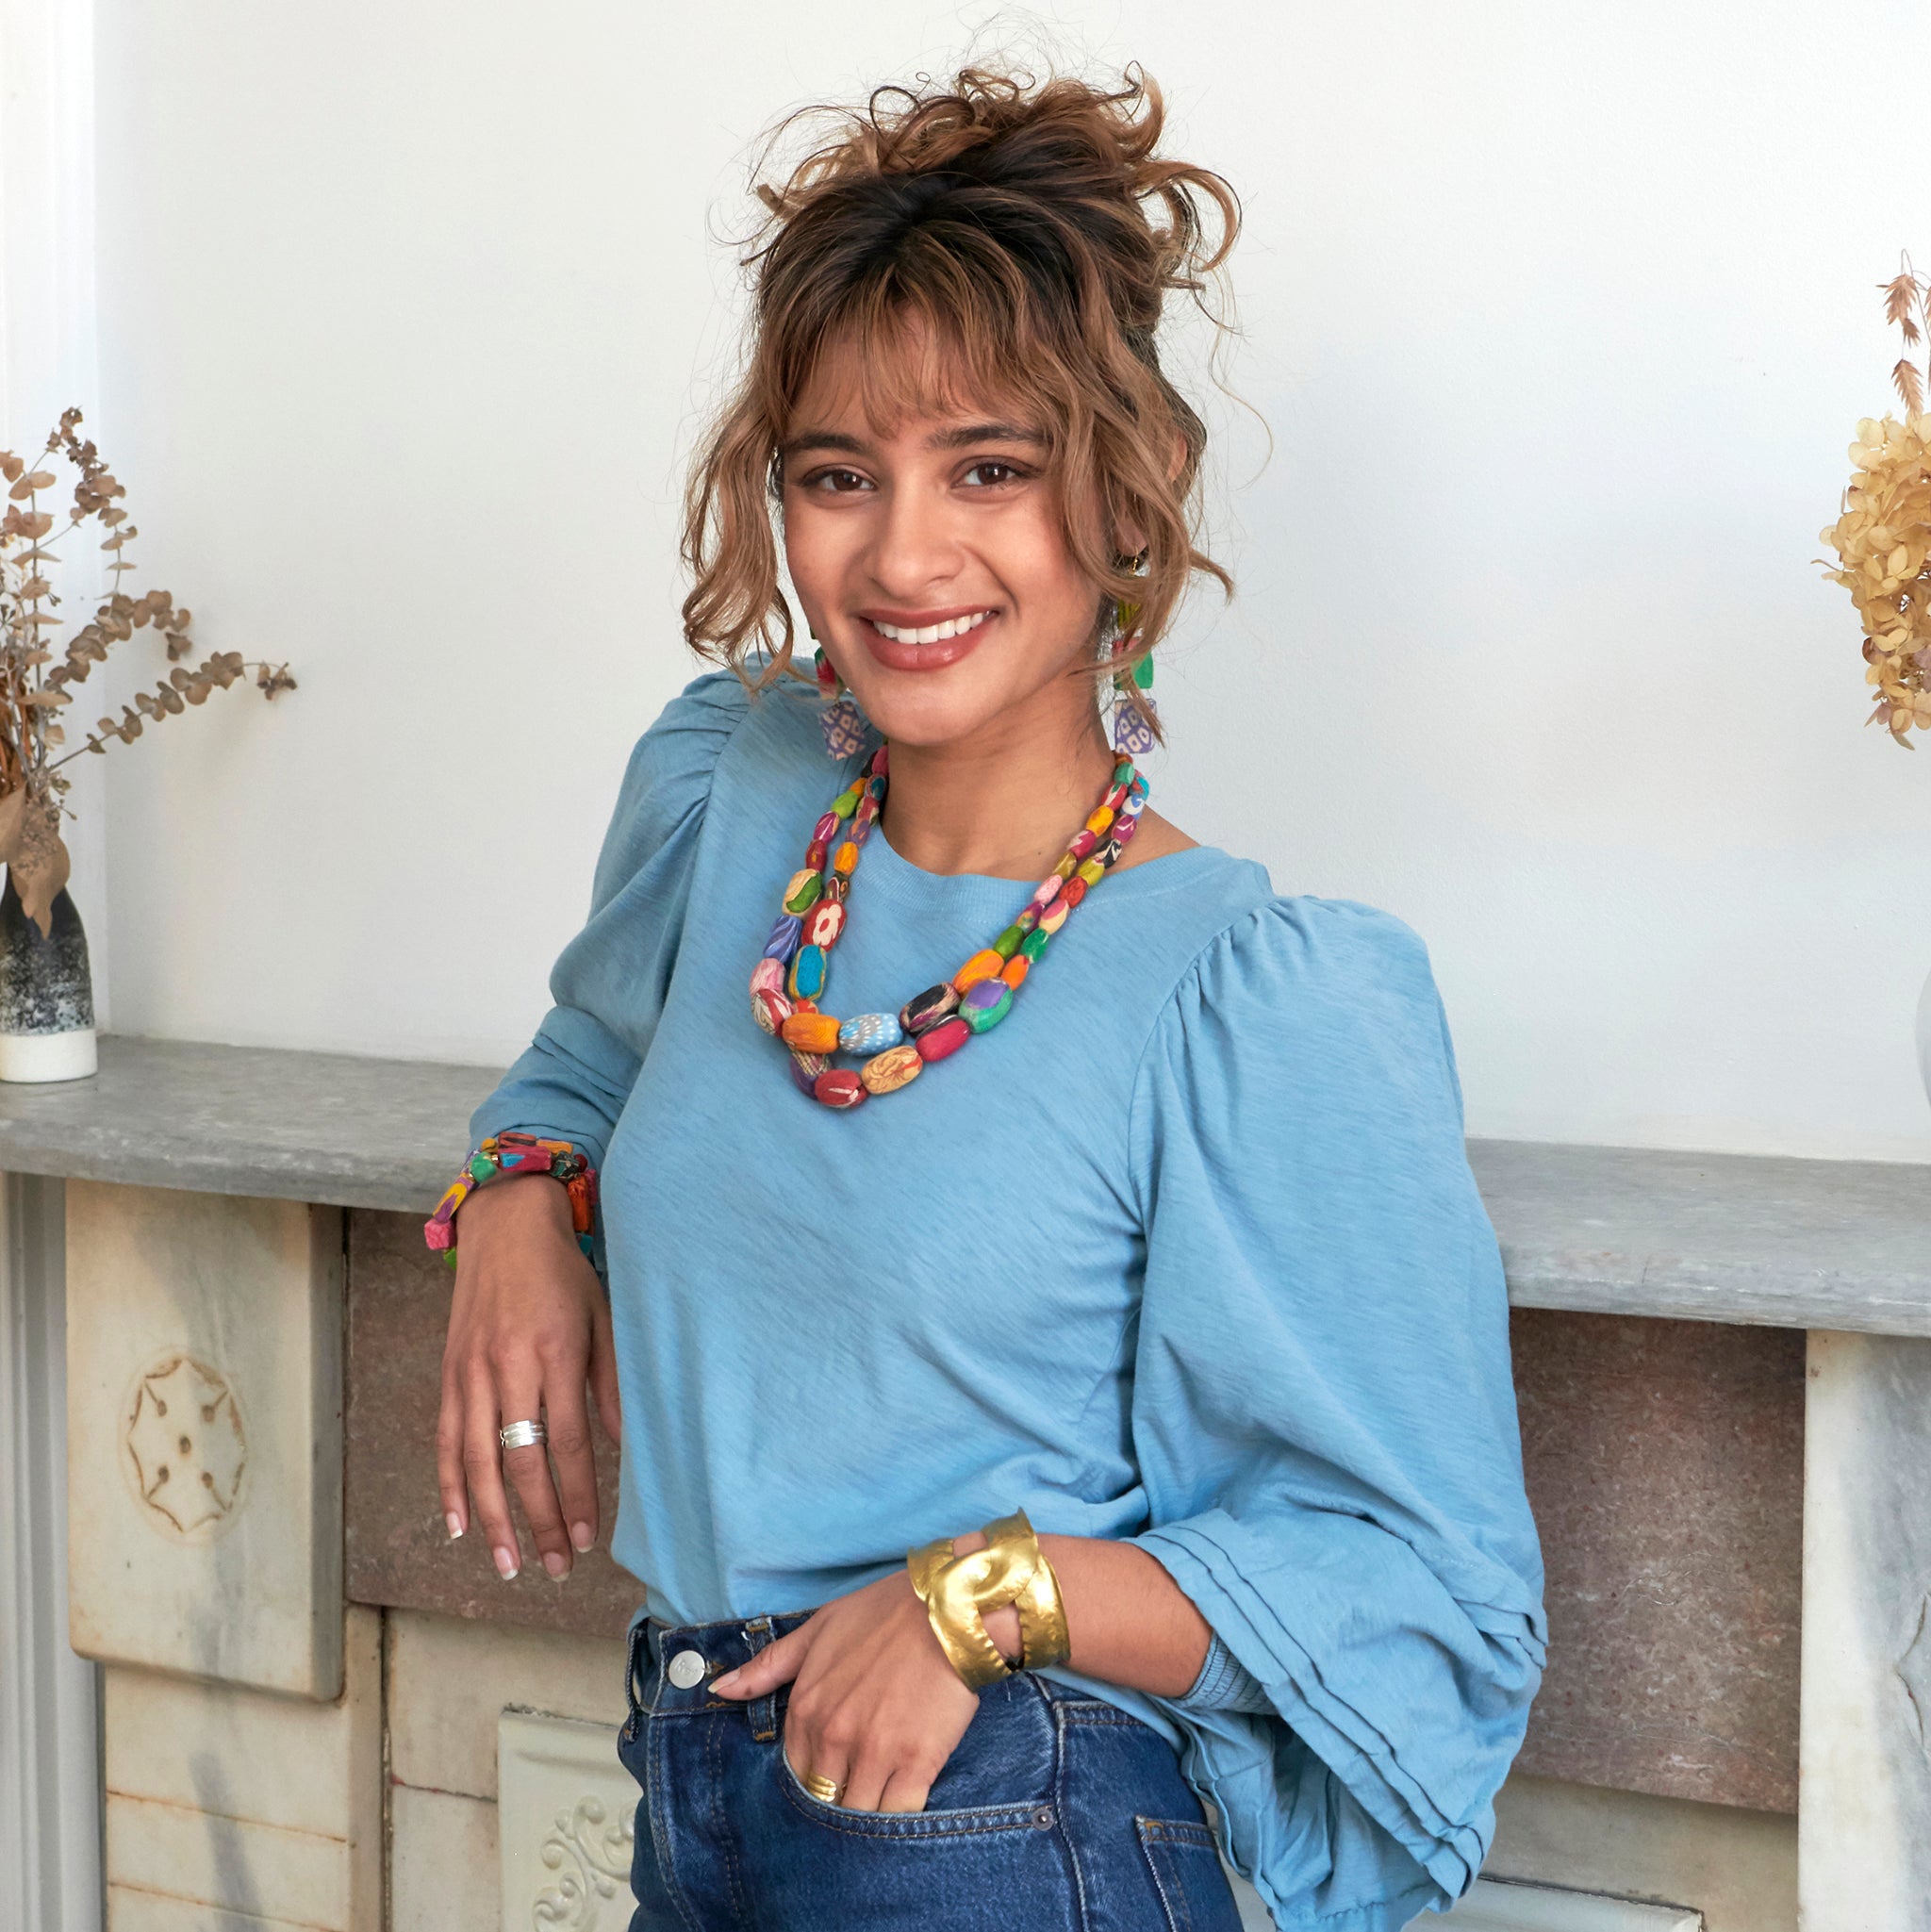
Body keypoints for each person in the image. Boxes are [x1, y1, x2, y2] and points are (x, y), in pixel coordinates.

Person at [429, 61, 1544, 1932]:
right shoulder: (732, 792)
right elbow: (585, 1058)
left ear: (1131, 487)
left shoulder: (1249, 994)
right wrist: (521, 1197)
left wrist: (984, 1591)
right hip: (694, 1785)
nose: (906, 553)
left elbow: (1421, 1585)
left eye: (990, 469)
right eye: (839, 475)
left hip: (1006, 1830)